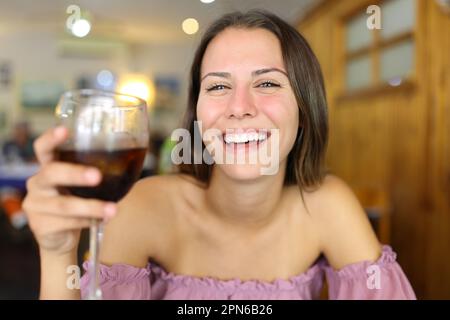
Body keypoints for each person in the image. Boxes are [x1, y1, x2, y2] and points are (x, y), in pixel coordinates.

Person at [23, 10, 416, 300]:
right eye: (217, 87)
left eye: (266, 82)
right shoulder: (141, 207)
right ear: (197, 116)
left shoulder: (328, 206)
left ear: (305, 108)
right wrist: (59, 254)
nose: (239, 106)